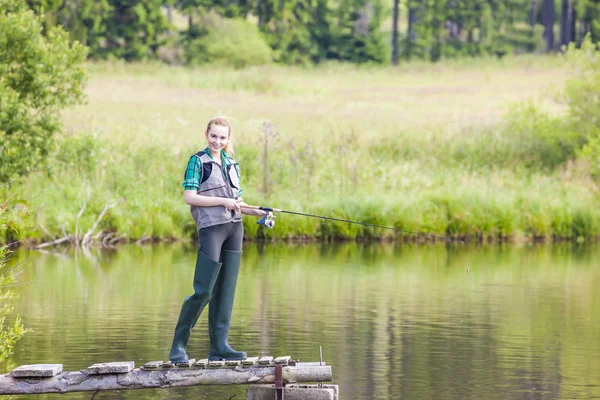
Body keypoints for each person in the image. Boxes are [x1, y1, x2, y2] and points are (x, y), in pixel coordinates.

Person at [169, 116, 268, 363]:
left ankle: (220, 347)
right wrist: (222, 201)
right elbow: (190, 197)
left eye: (223, 137)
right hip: (211, 229)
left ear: (228, 139)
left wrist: (258, 211)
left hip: (235, 229)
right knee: (203, 291)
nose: (218, 141)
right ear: (206, 134)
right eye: (214, 136)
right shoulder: (197, 161)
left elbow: (238, 202)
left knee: (226, 290)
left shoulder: (232, 164)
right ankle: (178, 348)